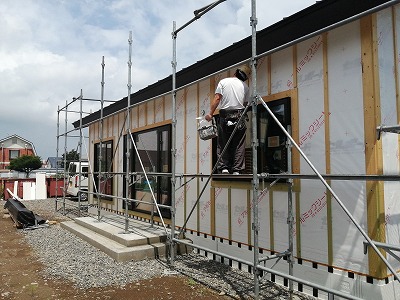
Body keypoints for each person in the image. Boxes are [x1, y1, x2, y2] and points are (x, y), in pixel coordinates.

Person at [205, 65, 251, 174]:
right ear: (245, 78)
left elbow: (217, 98)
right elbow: (245, 104)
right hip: (239, 117)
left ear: (235, 73)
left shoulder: (224, 82)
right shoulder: (245, 87)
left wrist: (210, 114)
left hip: (225, 116)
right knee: (239, 143)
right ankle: (237, 170)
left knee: (223, 142)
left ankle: (224, 168)